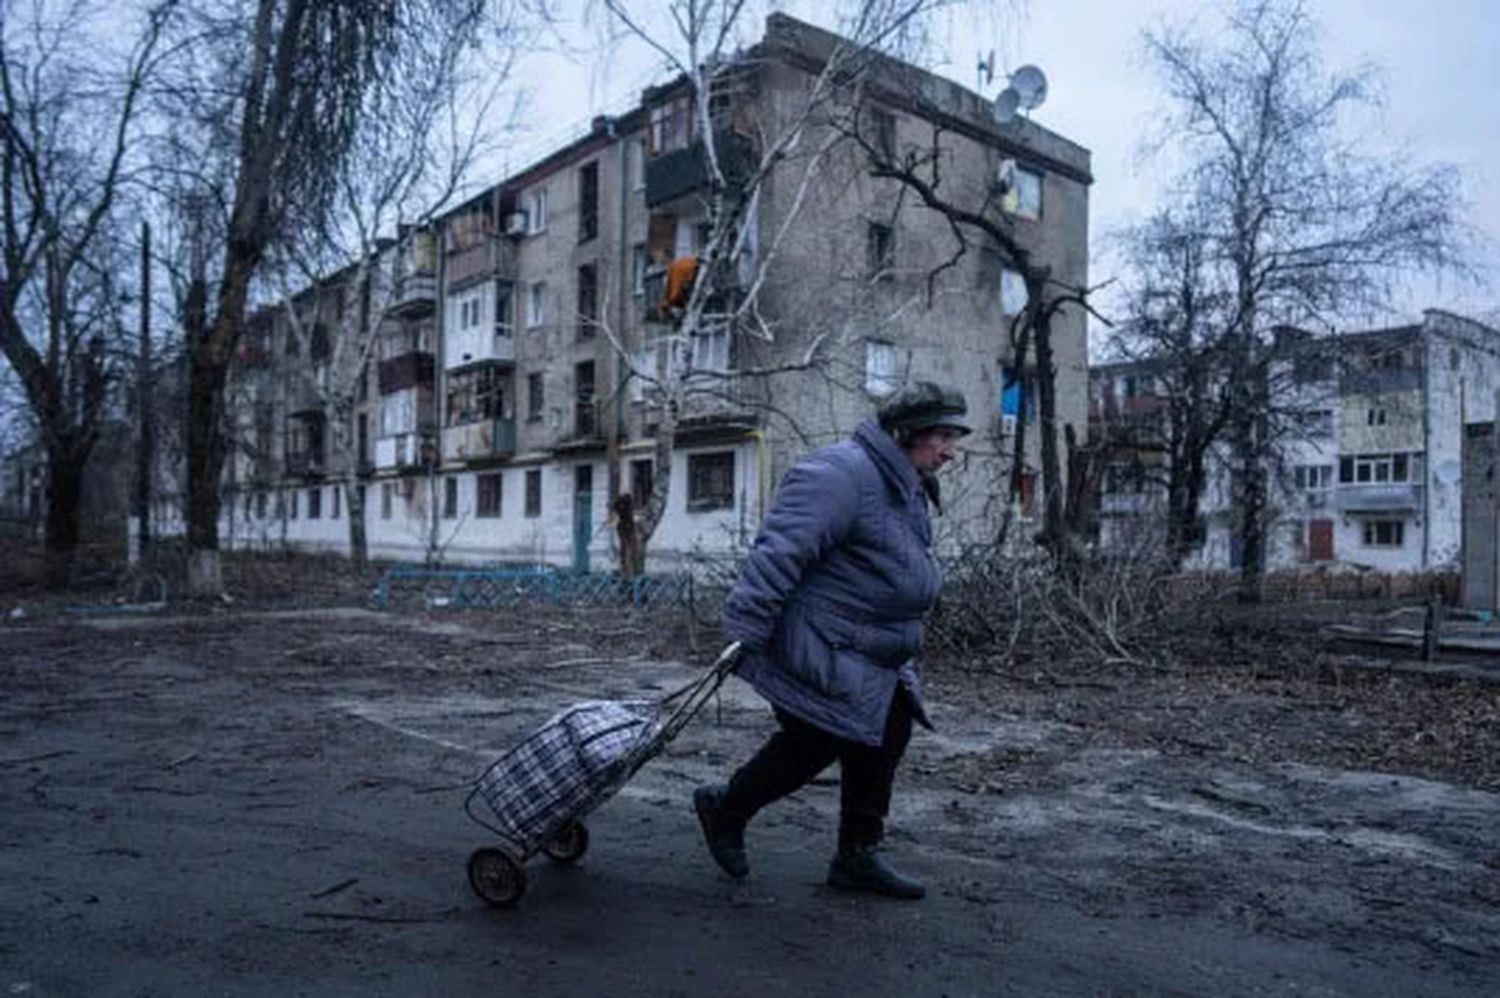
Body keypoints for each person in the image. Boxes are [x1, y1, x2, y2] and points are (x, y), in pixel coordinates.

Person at [693, 381, 970, 899]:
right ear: (907, 434)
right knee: (816, 739)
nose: (950, 451)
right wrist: (747, 628)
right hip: (821, 641)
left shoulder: (901, 481)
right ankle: (725, 809)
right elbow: (779, 551)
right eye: (943, 437)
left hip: (868, 648)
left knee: (887, 731)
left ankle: (857, 856)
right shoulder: (842, 473)